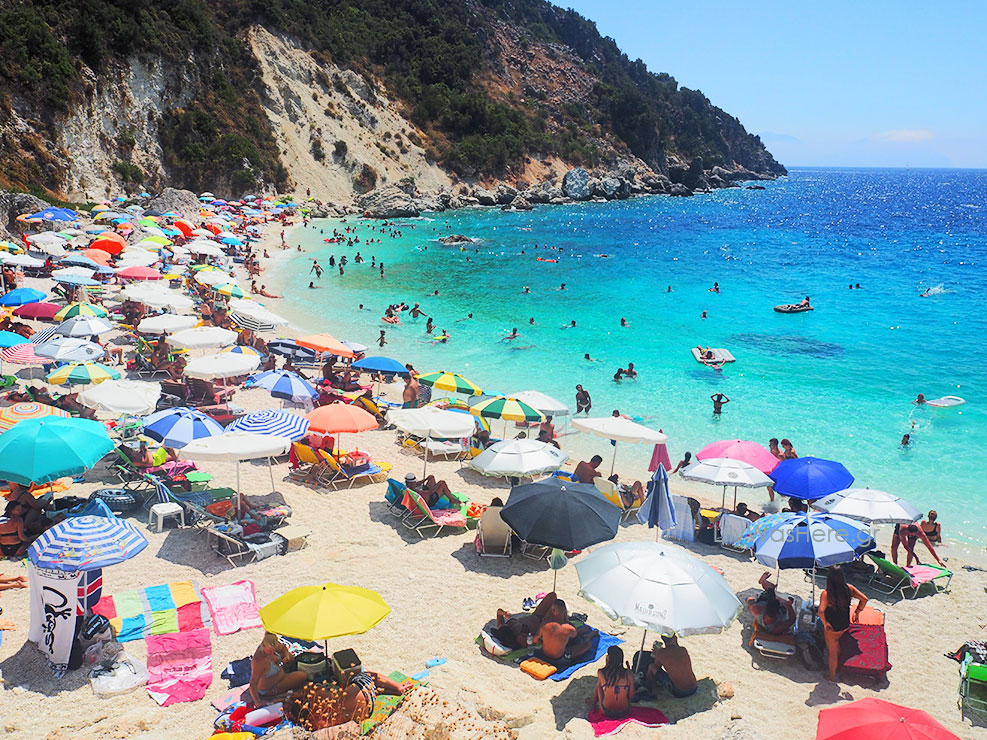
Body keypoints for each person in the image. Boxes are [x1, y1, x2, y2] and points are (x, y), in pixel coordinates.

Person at [283, 669, 406, 730]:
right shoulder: (319, 696)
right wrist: (301, 694)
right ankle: (399, 687)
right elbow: (313, 688)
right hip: (361, 692)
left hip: (366, 710)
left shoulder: (314, 725)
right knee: (367, 675)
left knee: (374, 688)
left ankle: (380, 690)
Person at [818, 565, 868, 681]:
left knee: (832, 652)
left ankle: (832, 676)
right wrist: (857, 612)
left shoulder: (826, 593)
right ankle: (839, 667)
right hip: (845, 624)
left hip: (833, 627)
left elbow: (821, 611)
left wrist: (825, 623)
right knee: (837, 644)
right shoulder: (849, 588)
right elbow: (864, 599)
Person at [249, 632, 310, 704]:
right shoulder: (259, 661)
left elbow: (283, 648)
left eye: (273, 650)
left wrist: (286, 656)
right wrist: (258, 703)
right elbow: (253, 684)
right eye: (270, 650)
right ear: (263, 645)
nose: (272, 652)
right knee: (303, 676)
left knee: (291, 657)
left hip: (280, 673)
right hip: (270, 688)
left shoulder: (272, 645)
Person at [494, 592, 566, 648]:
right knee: (559, 606)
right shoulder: (519, 638)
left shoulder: (503, 628)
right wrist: (543, 625)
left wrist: (504, 613)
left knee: (552, 595)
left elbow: (498, 612)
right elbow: (536, 640)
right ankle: (565, 620)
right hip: (542, 622)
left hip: (536, 615)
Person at [587, 646, 635, 718]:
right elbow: (631, 696)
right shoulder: (628, 674)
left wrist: (607, 664)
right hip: (625, 711)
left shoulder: (601, 672)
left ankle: (593, 702)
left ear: (608, 658)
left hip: (606, 711)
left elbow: (606, 671)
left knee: (599, 684)